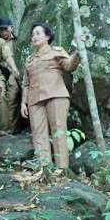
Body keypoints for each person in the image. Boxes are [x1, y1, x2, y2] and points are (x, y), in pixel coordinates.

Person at [21, 22, 80, 171]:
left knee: (58, 131)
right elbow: (26, 84)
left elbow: (70, 66)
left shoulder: (56, 51)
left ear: (47, 36)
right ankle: (44, 169)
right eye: (32, 34)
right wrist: (23, 103)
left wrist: (78, 51)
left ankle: (62, 169)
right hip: (34, 100)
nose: (34, 36)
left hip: (56, 96)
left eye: (38, 33)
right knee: (38, 134)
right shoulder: (29, 60)